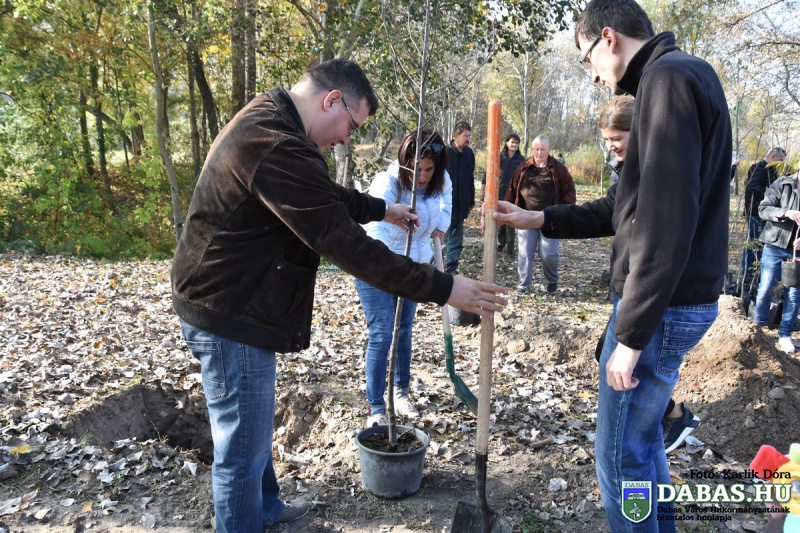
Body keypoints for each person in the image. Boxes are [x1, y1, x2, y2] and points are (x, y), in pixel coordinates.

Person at [171, 59, 507, 533]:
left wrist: (381, 209)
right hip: (227, 307)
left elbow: (322, 194)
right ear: (332, 100)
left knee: (252, 431)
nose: (348, 138)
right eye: (352, 125)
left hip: (237, 299)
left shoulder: (275, 121)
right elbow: (343, 243)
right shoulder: (273, 141)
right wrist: (445, 287)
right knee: (240, 451)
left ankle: (265, 511)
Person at [494, 1, 731, 530]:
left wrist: (632, 334)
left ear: (608, 37)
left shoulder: (667, 82)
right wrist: (540, 219)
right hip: (674, 300)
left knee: (620, 458)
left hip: (663, 305)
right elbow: (625, 208)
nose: (594, 76)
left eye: (587, 60)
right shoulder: (681, 76)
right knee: (643, 444)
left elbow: (667, 220)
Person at [598, 94, 701, 453]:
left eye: (616, 138)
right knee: (607, 358)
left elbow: (661, 252)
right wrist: (541, 218)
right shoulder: (631, 168)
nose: (610, 147)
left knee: (627, 446)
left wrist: (631, 341)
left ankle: (672, 418)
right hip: (630, 291)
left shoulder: (662, 171)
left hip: (652, 298)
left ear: (639, 131)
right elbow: (612, 209)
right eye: (606, 140)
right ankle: (668, 422)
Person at [356, 130, 451, 427]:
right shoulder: (387, 182)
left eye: (428, 170)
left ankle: (401, 391)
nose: (422, 176)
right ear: (404, 162)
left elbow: (447, 197)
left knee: (404, 330)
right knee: (383, 334)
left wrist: (442, 224)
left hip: (414, 266)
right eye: (416, 169)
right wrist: (388, 266)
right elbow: (375, 227)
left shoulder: (439, 182)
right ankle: (376, 408)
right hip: (375, 267)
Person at [504, 135, 576, 294]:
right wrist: (507, 210)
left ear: (549, 149)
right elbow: (512, 188)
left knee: (548, 254)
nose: (539, 152)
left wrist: (567, 209)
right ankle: (523, 286)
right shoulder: (523, 168)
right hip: (526, 217)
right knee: (524, 253)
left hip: (550, 219)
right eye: (536, 149)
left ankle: (552, 279)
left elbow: (569, 188)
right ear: (532, 149)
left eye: (543, 149)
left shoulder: (558, 168)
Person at [753, 170, 800, 353]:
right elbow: (763, 209)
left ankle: (785, 335)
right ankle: (757, 330)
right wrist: (786, 212)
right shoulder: (783, 183)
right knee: (766, 289)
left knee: (794, 294)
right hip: (775, 245)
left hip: (797, 252)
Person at [741, 147, 787, 301]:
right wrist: (769, 196)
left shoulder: (771, 171)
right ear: (773, 157)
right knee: (753, 244)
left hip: (765, 214)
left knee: (759, 245)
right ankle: (748, 274)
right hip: (755, 212)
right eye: (780, 160)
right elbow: (752, 189)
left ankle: (756, 272)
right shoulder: (758, 169)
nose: (781, 163)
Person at [480, 133, 526, 257]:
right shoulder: (498, 157)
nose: (514, 145)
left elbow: (525, 178)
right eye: (512, 142)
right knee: (499, 219)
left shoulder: (521, 160)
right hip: (498, 193)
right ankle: (501, 243)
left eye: (517, 143)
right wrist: (483, 191)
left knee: (510, 221)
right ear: (506, 143)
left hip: (512, 195)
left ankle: (510, 249)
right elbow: (487, 174)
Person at [444, 121, 475, 274]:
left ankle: (451, 269)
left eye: (469, 136)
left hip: (461, 203)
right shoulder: (444, 153)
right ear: (456, 135)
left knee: (456, 239)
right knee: (440, 238)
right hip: (444, 204)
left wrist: (471, 200)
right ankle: (435, 268)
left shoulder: (469, 154)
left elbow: (470, 178)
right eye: (465, 136)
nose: (468, 139)